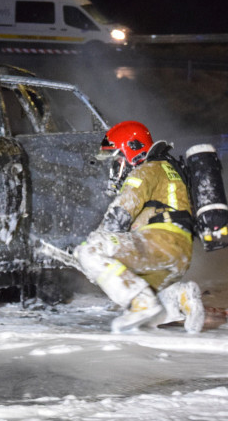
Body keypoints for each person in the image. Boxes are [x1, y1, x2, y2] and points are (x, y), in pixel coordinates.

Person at [74, 120, 205, 333]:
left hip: (160, 242)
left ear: (132, 151)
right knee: (146, 311)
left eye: (117, 159)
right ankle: (181, 297)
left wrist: (89, 249)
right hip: (178, 254)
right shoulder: (168, 169)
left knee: (91, 249)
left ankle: (141, 302)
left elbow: (119, 214)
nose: (114, 166)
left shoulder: (145, 171)